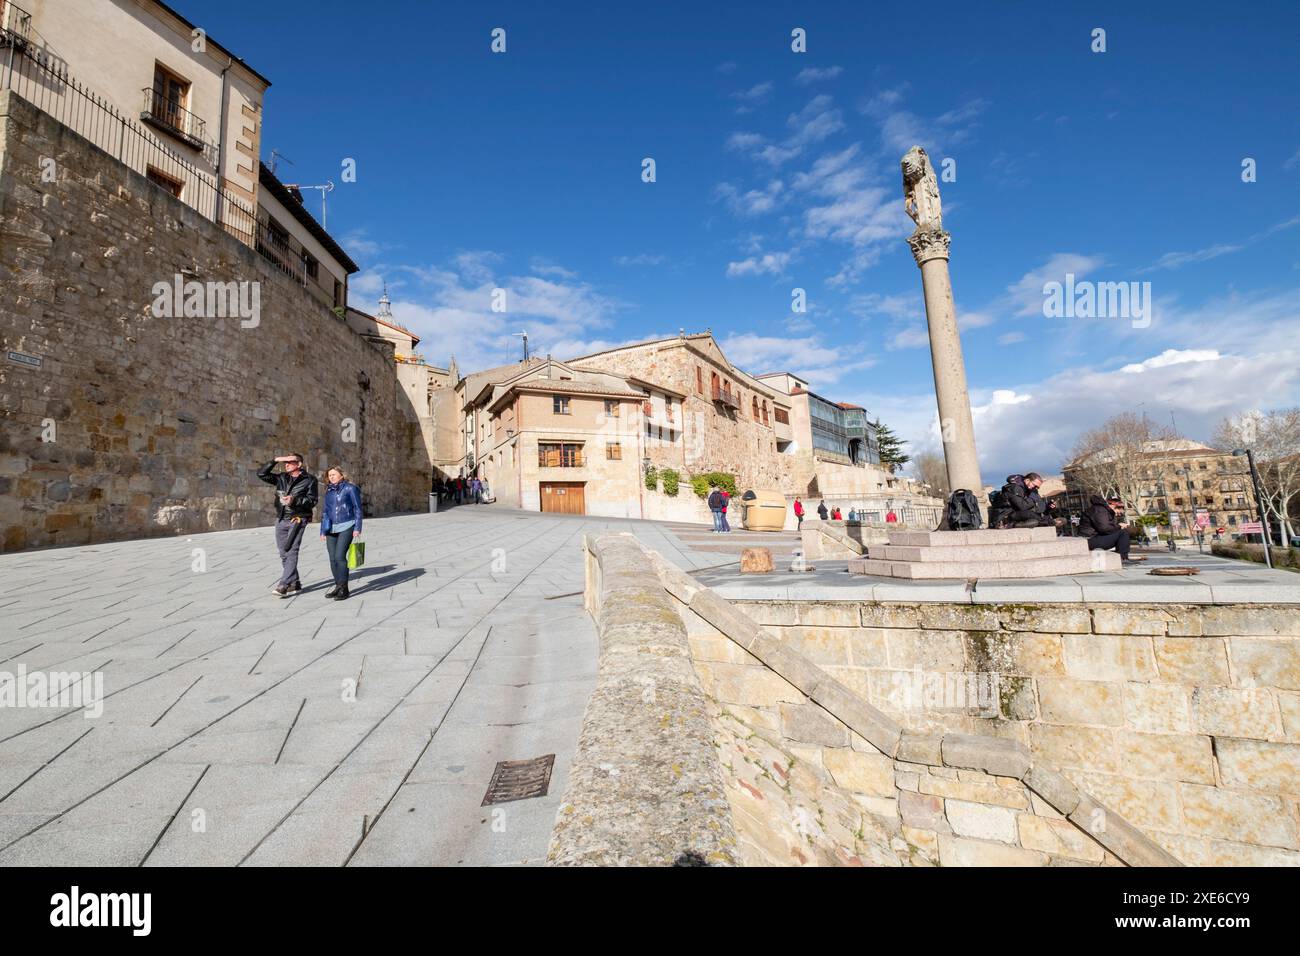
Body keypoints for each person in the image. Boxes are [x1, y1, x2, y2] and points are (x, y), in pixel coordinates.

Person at [258, 453, 318, 598]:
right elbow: (261, 474)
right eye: (285, 462)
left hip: (297, 518)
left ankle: (283, 584)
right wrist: (275, 460)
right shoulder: (281, 478)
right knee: (283, 552)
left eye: (291, 462)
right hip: (281, 518)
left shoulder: (309, 480)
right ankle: (295, 582)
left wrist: (294, 500)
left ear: (299, 464)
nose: (287, 464)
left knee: (291, 550)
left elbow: (312, 500)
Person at [320, 466, 363, 600]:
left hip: (347, 525)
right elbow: (325, 511)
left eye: (334, 474)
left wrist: (357, 527)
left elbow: (358, 509)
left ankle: (344, 588)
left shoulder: (351, 488)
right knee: (332, 558)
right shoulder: (329, 491)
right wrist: (323, 530)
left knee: (339, 556)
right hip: (331, 528)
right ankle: (338, 585)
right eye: (329, 475)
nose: (331, 477)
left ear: (341, 475)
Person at [1078, 494, 1136, 563]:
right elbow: (1104, 528)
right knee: (1123, 533)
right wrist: (1119, 527)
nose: (1118, 515)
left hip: (1092, 538)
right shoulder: (1099, 510)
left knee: (1121, 532)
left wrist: (1117, 526)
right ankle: (1122, 558)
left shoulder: (1102, 510)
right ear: (1113, 505)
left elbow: (1106, 527)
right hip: (1089, 540)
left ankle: (1121, 557)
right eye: (1118, 512)